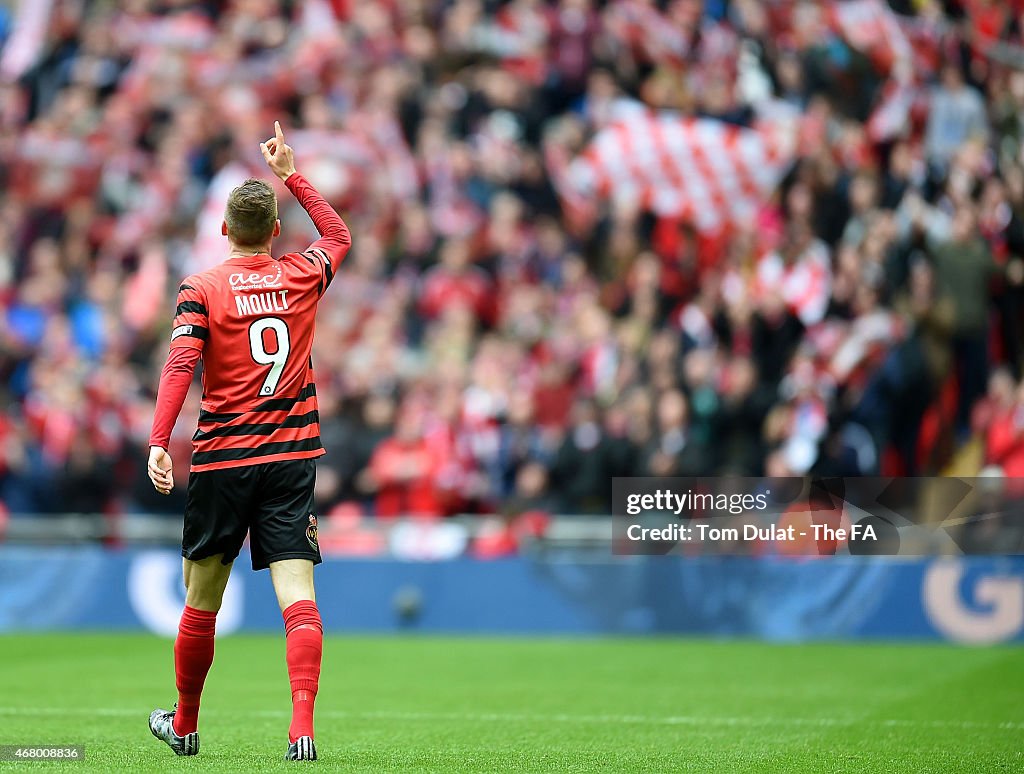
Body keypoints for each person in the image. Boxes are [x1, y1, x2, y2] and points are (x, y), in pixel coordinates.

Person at [145, 122, 351, 762]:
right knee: (298, 598)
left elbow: (181, 367)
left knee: (201, 598)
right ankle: (302, 730)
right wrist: (291, 171)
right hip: (291, 458)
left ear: (225, 231)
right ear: (275, 232)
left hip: (224, 459)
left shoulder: (200, 289)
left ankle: (184, 725)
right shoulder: (301, 274)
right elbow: (338, 235)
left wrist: (159, 441)